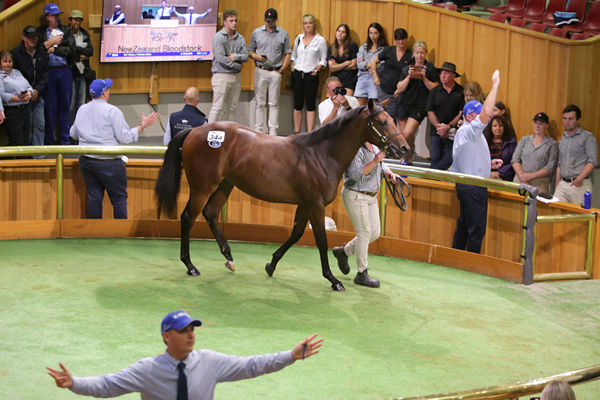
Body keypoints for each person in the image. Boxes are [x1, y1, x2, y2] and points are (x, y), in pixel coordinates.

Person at [47, 309, 323, 399]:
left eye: (192, 328)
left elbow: (252, 365)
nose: (191, 334)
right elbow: (107, 385)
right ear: (167, 337)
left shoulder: (210, 362)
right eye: (183, 330)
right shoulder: (147, 370)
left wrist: (291, 355)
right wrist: (74, 383)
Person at [69, 78, 158, 219]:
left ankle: (95, 232)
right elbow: (125, 138)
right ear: (104, 93)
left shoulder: (82, 109)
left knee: (94, 199)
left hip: (87, 161)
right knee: (119, 200)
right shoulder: (113, 111)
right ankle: (120, 233)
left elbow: (73, 133)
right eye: (108, 89)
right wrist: (143, 126)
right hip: (109, 162)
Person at [331, 130, 401, 288]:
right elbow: (355, 174)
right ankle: (361, 273)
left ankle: (344, 252)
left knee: (374, 233)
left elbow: (382, 163)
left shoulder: (374, 146)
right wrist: (376, 161)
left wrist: (389, 172)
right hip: (356, 194)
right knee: (364, 232)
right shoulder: (354, 148)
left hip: (371, 196)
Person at [450, 70, 500, 254]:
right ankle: (472, 266)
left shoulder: (466, 133)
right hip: (473, 187)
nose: (485, 118)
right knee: (476, 230)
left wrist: (488, 163)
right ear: (470, 116)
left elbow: (464, 158)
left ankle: (456, 260)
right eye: (479, 115)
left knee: (464, 226)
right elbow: (487, 112)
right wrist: (495, 85)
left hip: (466, 184)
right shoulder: (468, 130)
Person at [247, 8, 291, 135]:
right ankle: (258, 130)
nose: (269, 23)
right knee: (259, 102)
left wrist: (282, 69)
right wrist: (257, 57)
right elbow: (249, 51)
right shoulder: (256, 32)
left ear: (276, 20)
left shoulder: (283, 33)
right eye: (267, 21)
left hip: (276, 72)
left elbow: (288, 53)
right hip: (260, 70)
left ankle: (273, 131)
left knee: (274, 102)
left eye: (271, 21)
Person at [38, 3, 75, 145]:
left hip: (64, 70)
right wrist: (51, 42)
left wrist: (55, 50)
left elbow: (71, 49)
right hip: (48, 73)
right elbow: (37, 50)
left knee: (65, 107)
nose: (57, 17)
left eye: (58, 14)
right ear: (47, 16)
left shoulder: (65, 30)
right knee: (50, 108)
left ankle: (65, 140)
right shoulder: (41, 32)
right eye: (54, 15)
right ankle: (49, 141)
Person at [394, 40, 439, 151]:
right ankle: (408, 154)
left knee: (407, 133)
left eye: (422, 53)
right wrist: (409, 76)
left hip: (419, 106)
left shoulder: (430, 69)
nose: (419, 55)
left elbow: (436, 89)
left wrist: (424, 78)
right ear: (414, 53)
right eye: (417, 52)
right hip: (404, 104)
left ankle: (408, 153)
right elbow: (399, 88)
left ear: (426, 53)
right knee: (403, 136)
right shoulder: (407, 69)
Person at [207, 9, 248, 124]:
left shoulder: (240, 38)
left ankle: (229, 135)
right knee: (218, 106)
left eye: (235, 20)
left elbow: (246, 56)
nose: (234, 23)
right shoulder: (218, 37)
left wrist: (236, 56)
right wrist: (237, 66)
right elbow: (221, 58)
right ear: (225, 22)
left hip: (236, 76)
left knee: (232, 107)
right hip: (221, 75)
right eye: (231, 20)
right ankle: (209, 133)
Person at [11, 25, 49, 149]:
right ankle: (28, 155)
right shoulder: (16, 54)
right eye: (30, 37)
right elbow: (14, 77)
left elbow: (45, 74)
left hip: (38, 95)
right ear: (24, 38)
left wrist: (37, 90)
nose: (33, 39)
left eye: (35, 37)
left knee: (40, 125)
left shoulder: (41, 52)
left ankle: (39, 155)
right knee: (28, 127)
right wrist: (28, 92)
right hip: (22, 98)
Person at [554, 104, 598, 205]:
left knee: (578, 217)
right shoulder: (563, 139)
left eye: (570, 119)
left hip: (579, 184)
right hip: (563, 184)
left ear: (578, 120)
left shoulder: (587, 137)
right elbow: (560, 164)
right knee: (556, 212)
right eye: (564, 118)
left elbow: (592, 162)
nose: (567, 122)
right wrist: (557, 185)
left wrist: (579, 179)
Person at [290, 13, 327, 133]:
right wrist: (292, 69)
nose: (308, 26)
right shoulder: (299, 38)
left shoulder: (320, 40)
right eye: (305, 23)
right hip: (298, 74)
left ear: (314, 24)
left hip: (311, 75)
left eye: (310, 23)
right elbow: (293, 55)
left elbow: (323, 59)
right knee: (297, 104)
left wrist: (317, 70)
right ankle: (297, 132)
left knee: (310, 104)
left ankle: (310, 132)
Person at [426, 61, 464, 170]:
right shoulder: (435, 91)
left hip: (453, 133)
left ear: (453, 76)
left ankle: (431, 177)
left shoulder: (460, 91)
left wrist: (448, 127)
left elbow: (461, 112)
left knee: (449, 158)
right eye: (441, 73)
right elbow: (430, 111)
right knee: (435, 158)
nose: (442, 75)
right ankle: (433, 180)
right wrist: (439, 127)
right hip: (436, 132)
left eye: (446, 73)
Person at [368, 28, 412, 119]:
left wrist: (399, 90)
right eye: (398, 39)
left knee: (394, 117)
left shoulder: (410, 55)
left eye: (403, 39)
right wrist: (375, 77)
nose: (401, 42)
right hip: (384, 87)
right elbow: (373, 62)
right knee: (383, 115)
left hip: (400, 91)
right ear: (395, 40)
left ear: (406, 39)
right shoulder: (388, 50)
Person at [511, 112, 558, 194]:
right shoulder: (524, 140)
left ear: (547, 125)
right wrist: (523, 177)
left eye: (541, 123)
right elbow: (515, 160)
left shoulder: (552, 144)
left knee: (537, 206)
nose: (537, 126)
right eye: (535, 123)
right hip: (520, 179)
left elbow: (550, 167)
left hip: (540, 183)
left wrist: (530, 176)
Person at [0, 50, 33, 147]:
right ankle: (19, 161)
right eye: (5, 61)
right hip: (12, 112)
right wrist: (19, 99)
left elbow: (29, 86)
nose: (8, 64)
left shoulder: (17, 72)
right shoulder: (1, 76)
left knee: (27, 140)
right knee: (18, 142)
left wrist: (29, 94)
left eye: (10, 61)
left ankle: (26, 161)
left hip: (25, 110)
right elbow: (2, 95)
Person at [68, 9, 94, 125]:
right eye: (75, 20)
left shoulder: (84, 34)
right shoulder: (65, 33)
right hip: (70, 73)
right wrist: (80, 55)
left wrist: (77, 51)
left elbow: (90, 51)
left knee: (81, 105)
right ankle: (70, 133)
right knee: (71, 105)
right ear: (70, 20)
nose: (77, 22)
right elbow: (67, 52)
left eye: (79, 20)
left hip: (83, 73)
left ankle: (80, 131)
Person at [354, 22, 388, 106]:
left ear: (380, 34)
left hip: (375, 77)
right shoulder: (364, 47)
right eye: (370, 33)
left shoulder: (384, 49)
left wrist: (366, 64)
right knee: (360, 108)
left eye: (375, 33)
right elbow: (359, 64)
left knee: (374, 107)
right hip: (363, 77)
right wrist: (372, 64)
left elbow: (382, 66)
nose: (372, 36)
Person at [327, 23, 358, 96]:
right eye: (338, 31)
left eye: (343, 32)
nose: (340, 33)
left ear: (346, 34)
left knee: (347, 103)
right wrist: (346, 63)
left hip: (349, 80)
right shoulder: (331, 47)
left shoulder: (352, 45)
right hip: (335, 80)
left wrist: (337, 66)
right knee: (335, 104)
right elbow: (332, 68)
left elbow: (354, 65)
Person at [484, 115, 517, 181]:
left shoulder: (511, 142)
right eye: (495, 126)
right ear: (491, 128)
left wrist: (499, 173)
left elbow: (514, 162)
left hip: (505, 176)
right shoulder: (484, 141)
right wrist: (489, 173)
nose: (498, 128)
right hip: (486, 175)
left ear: (505, 127)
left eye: (501, 125)